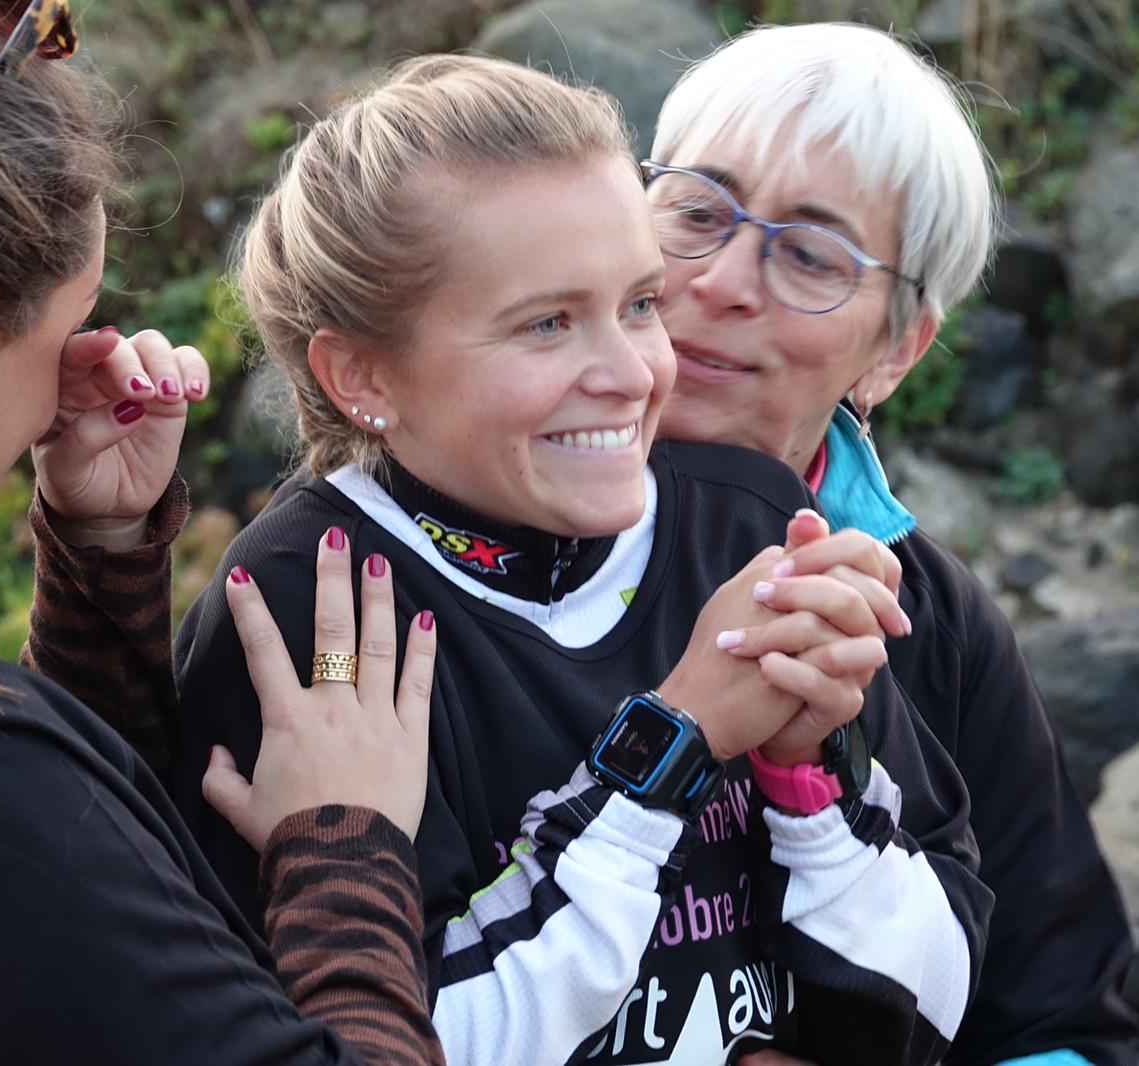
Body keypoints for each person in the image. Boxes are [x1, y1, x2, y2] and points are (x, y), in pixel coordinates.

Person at [0, 1, 510, 1063]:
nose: (72, 383)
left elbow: (55, 936)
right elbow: (30, 858)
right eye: (70, 325)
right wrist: (346, 842)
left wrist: (100, 555)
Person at [165, 55, 993, 1066]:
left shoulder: (750, 526)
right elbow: (367, 1040)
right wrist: (669, 750)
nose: (633, 373)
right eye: (548, 323)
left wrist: (811, 782)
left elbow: (932, 1008)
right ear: (362, 373)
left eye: (640, 303)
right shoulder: (310, 612)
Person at [646, 22, 1139, 1066]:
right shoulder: (444, 531)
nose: (725, 279)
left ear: (895, 351)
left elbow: (1062, 1024)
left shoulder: (930, 623)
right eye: (696, 211)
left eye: (809, 255)